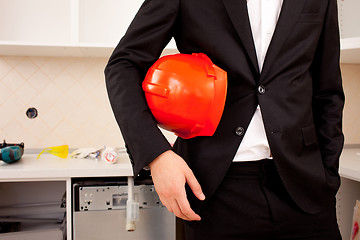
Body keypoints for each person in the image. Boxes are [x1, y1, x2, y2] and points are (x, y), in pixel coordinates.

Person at [105, 0, 344, 239]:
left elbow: (328, 91)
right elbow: (123, 65)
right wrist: (157, 155)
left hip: (306, 188)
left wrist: (328, 175)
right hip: (216, 191)